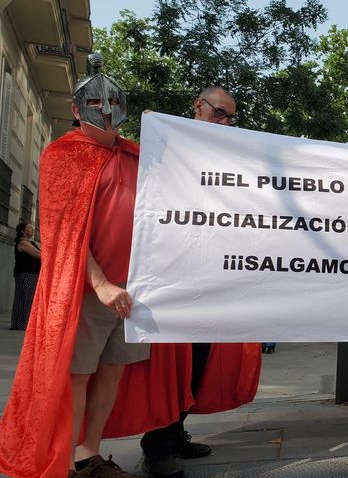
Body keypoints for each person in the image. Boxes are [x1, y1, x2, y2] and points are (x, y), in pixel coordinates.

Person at [0, 52, 150, 478]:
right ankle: (63, 461)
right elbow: (63, 232)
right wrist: (100, 284)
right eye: (95, 103)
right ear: (76, 109)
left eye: (112, 102)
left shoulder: (138, 156)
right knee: (78, 375)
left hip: (136, 288)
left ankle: (88, 455)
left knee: (113, 372)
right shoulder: (62, 155)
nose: (105, 110)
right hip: (87, 290)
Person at [104, 85, 261, 478]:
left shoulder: (226, 156)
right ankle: (157, 448)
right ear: (198, 107)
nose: (225, 122)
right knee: (169, 364)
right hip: (169, 275)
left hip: (209, 273)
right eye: (220, 113)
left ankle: (175, 434)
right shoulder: (165, 147)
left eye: (230, 117)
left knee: (199, 361)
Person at [11, 221, 41, 330]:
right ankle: (21, 324)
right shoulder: (22, 242)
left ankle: (21, 324)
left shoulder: (31, 242)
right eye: (29, 228)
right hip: (25, 274)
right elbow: (39, 254)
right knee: (24, 299)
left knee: (27, 299)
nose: (31, 229)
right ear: (23, 231)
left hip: (32, 273)